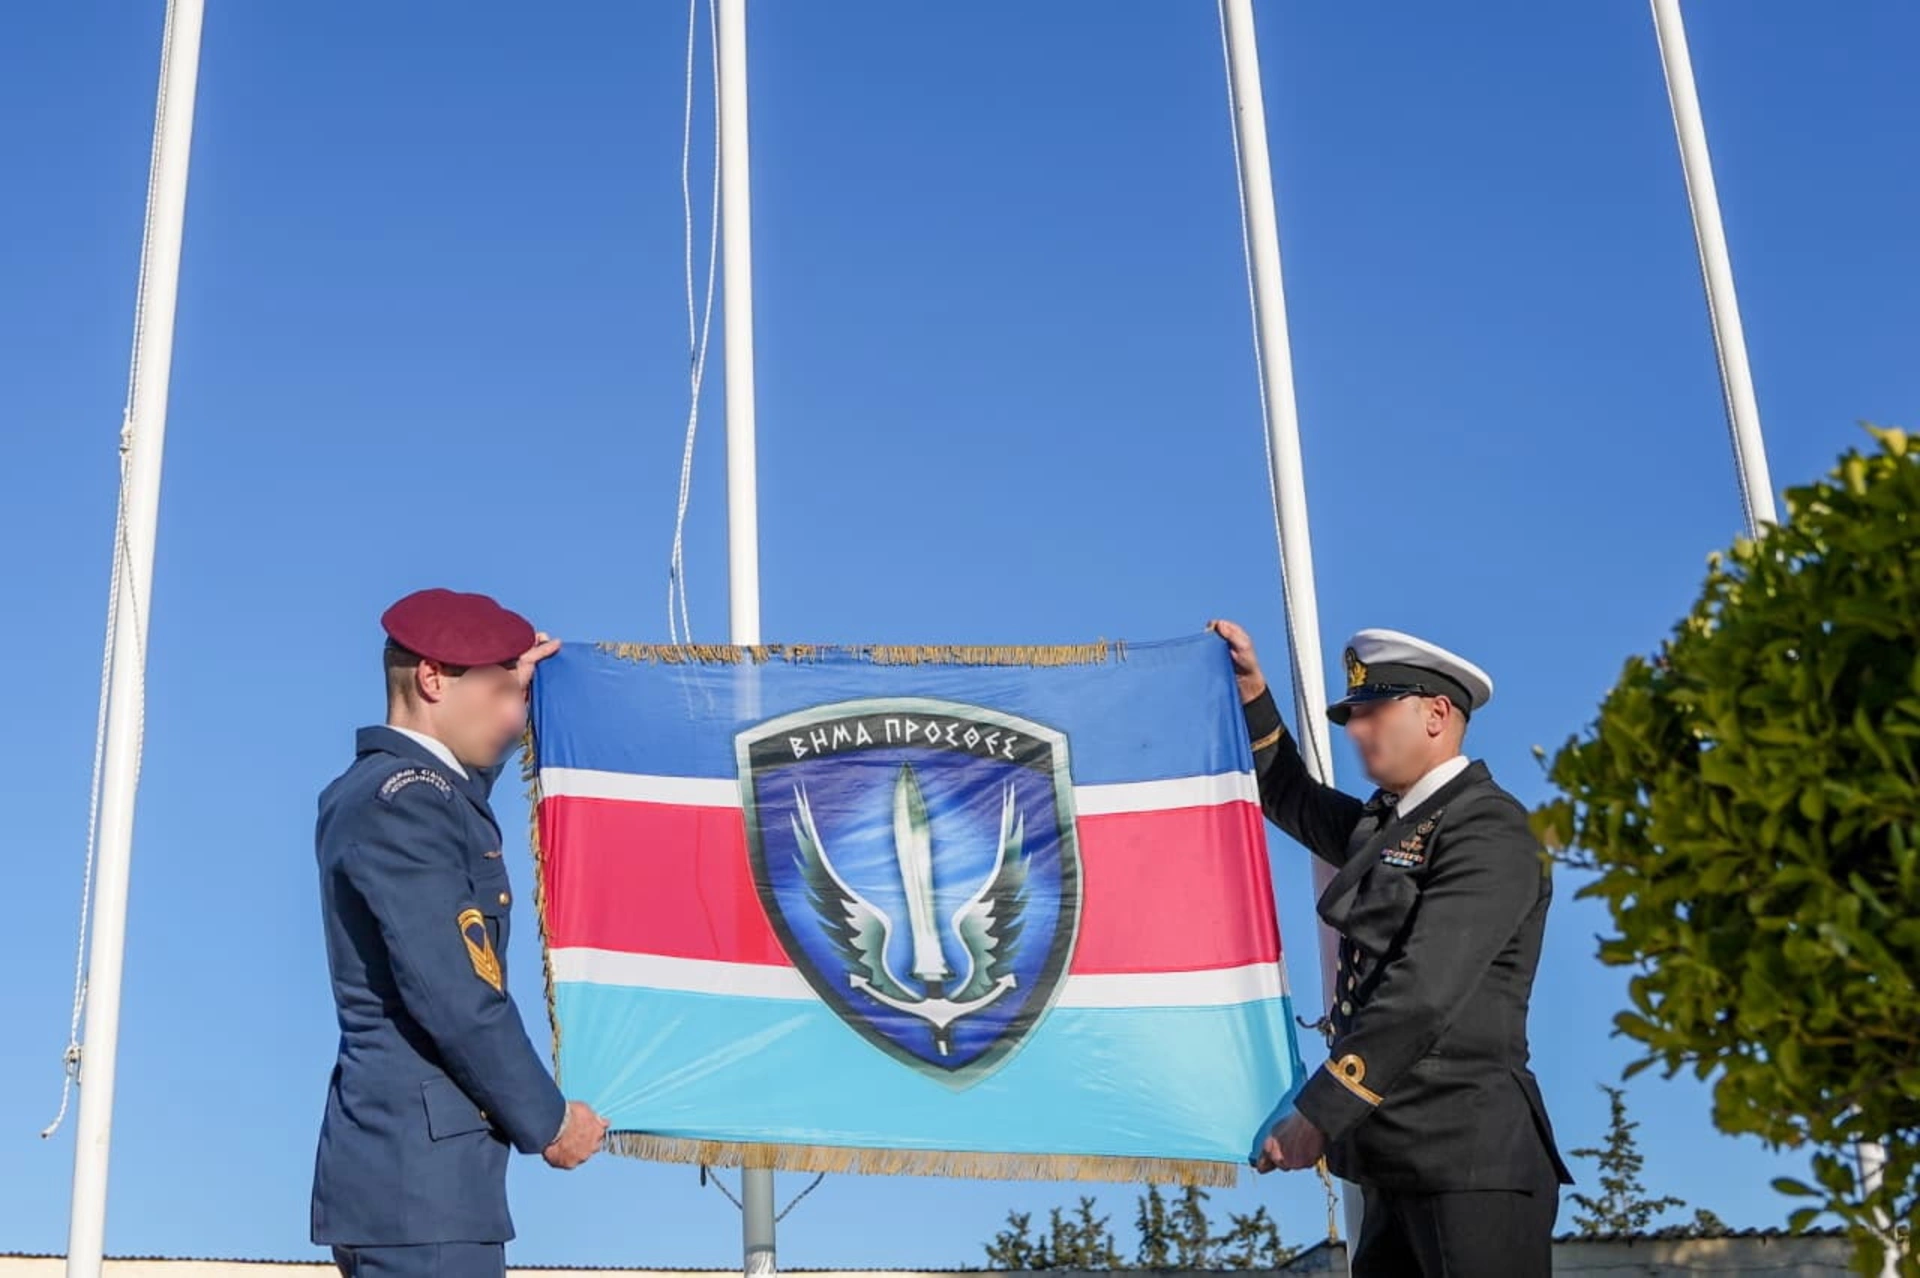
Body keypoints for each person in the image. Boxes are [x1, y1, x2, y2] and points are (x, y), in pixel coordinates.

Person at [1210, 620, 1571, 1278]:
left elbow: (1425, 990)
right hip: (1388, 1162)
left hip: (1466, 1162)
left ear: (1437, 714)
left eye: (1372, 712)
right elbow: (1288, 794)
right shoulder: (1384, 828)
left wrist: (1319, 1112)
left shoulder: (1487, 826)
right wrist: (1252, 696)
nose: (1355, 730)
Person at [312, 588, 609, 1278]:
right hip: (422, 1195)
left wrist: (509, 691)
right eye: (502, 693)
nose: (516, 717)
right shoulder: (407, 806)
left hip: (407, 1187)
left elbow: (455, 789)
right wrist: (551, 1122)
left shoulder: (392, 793)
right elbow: (456, 994)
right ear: (432, 678)